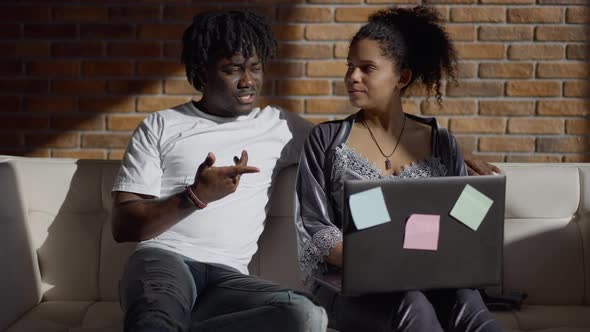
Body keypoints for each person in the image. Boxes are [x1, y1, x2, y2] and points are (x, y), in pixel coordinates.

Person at [111, 10, 328, 332]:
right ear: (202, 72)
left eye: (255, 68)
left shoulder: (280, 126)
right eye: (232, 70)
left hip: (228, 278)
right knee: (156, 318)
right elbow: (124, 226)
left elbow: (343, 157)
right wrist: (196, 196)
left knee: (306, 315)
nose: (248, 81)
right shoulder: (161, 125)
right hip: (164, 261)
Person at [295, 6, 503, 332]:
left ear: (401, 78)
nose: (353, 77)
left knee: (468, 301)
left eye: (367, 68)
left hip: (431, 276)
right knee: (412, 302)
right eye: (350, 67)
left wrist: (478, 195)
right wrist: (382, 263)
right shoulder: (325, 140)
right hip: (350, 284)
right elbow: (314, 228)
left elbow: (465, 220)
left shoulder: (441, 143)